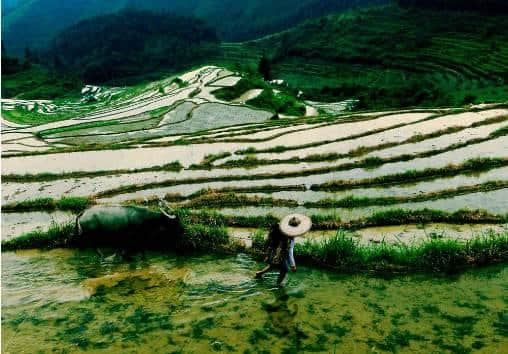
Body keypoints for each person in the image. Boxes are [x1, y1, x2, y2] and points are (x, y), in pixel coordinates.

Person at [255, 214, 311, 286]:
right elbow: (290, 251)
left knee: (273, 265)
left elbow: (270, 240)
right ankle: (279, 284)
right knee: (284, 270)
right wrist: (292, 265)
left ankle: (259, 273)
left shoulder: (279, 229)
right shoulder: (290, 236)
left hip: (272, 251)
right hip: (279, 254)